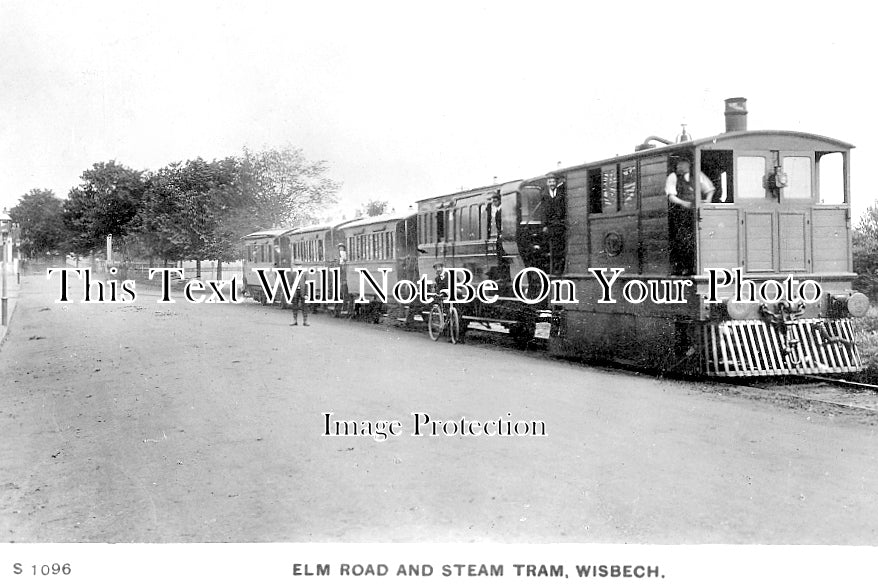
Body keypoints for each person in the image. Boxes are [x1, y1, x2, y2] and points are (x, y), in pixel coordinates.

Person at [665, 158, 714, 275]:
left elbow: (710, 189)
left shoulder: (697, 175)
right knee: (681, 240)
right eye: (677, 164)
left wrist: (708, 200)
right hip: (680, 214)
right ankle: (682, 268)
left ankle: (693, 268)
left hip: (695, 213)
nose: (678, 166)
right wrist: (683, 203)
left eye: (681, 163)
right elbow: (671, 196)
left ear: (688, 164)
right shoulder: (673, 176)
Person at [542, 172, 567, 274]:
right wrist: (545, 225)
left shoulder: (561, 192)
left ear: (556, 182)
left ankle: (561, 268)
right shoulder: (544, 195)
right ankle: (555, 268)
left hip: (560, 223)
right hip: (551, 224)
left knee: (561, 246)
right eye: (550, 182)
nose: (552, 183)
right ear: (547, 183)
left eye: (553, 181)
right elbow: (543, 211)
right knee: (553, 247)